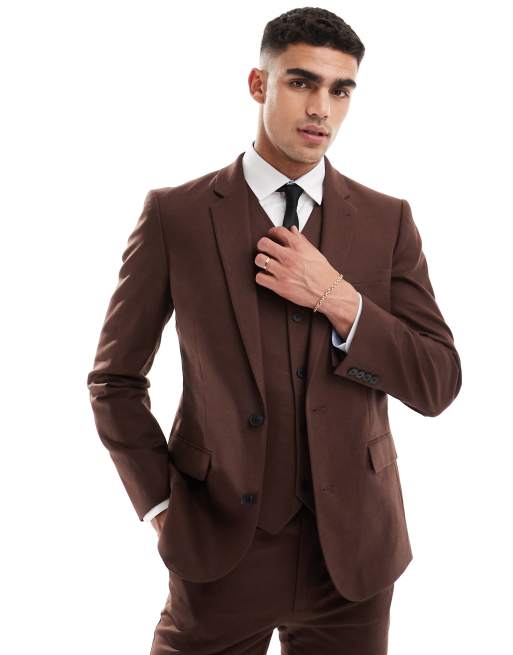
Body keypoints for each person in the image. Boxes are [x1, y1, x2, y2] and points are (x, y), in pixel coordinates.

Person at [87, 7, 462, 654]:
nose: (320, 108)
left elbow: (437, 381)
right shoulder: (176, 216)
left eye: (340, 90)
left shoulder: (387, 222)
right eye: (301, 82)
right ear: (259, 84)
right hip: (218, 548)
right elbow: (114, 380)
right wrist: (161, 508)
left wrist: (341, 300)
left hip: (353, 559)